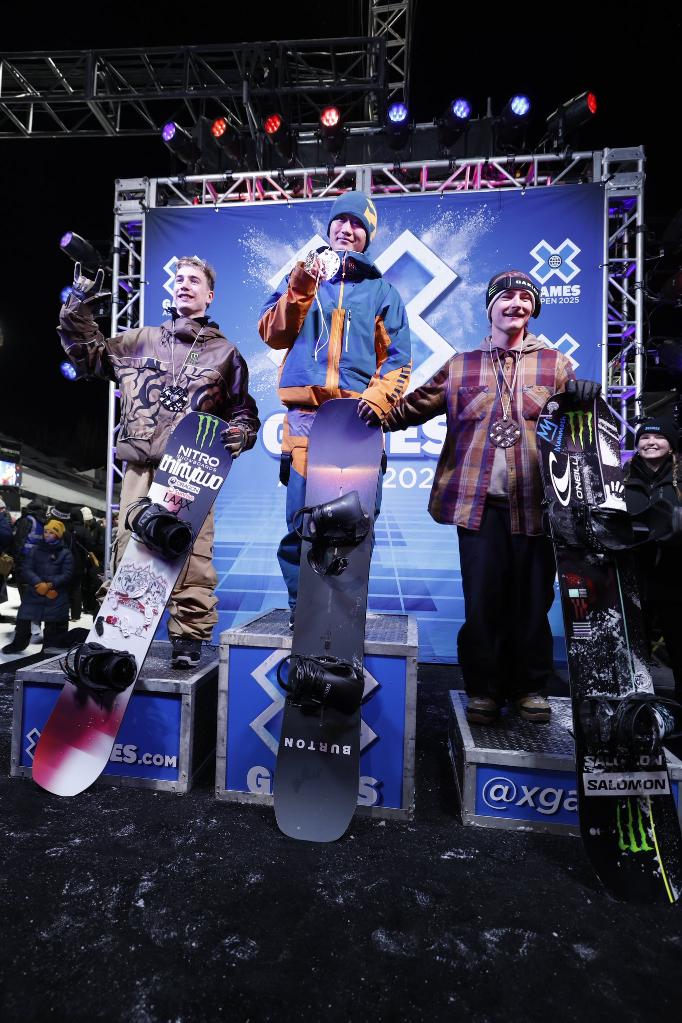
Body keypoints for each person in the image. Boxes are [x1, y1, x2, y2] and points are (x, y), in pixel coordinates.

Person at [383, 269, 602, 725]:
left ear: (533, 309)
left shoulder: (556, 365)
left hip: (538, 506)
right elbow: (411, 407)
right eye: (507, 297)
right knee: (483, 603)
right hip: (478, 507)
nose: (516, 304)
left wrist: (586, 400)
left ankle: (529, 688)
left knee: (533, 605)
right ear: (490, 308)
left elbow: (580, 434)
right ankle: (483, 690)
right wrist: (362, 414)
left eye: (525, 298)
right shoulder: (460, 365)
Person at [58, 254, 261, 668]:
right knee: (130, 549)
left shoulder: (226, 355)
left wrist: (242, 433)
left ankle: (189, 637)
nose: (184, 284)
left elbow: (243, 411)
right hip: (141, 467)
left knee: (192, 556)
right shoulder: (137, 340)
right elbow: (88, 355)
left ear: (210, 295)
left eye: (194, 280)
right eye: (179, 278)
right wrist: (77, 305)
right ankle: (117, 631)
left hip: (192, 471)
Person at [258, 190, 412, 622]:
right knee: (302, 523)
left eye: (357, 224)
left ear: (367, 236)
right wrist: (303, 284)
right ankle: (302, 611)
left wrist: (377, 400)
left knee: (355, 524)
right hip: (306, 422)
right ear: (328, 228)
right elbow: (272, 332)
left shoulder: (383, 292)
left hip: (358, 424)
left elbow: (398, 357)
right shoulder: (300, 278)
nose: (347, 228)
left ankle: (344, 616)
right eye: (340, 220)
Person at [624, 417, 682, 701]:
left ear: (671, 446)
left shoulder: (680, 480)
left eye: (659, 438)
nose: (651, 442)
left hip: (675, 577)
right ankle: (637, 708)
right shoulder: (620, 477)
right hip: (633, 577)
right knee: (634, 650)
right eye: (645, 438)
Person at [2, 518, 74, 654]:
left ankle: (49, 649)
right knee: (23, 619)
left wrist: (50, 584)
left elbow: (67, 574)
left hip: (55, 595)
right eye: (46, 531)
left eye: (51, 532)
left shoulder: (65, 553)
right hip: (35, 591)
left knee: (54, 625)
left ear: (58, 535)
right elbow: (26, 568)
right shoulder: (35, 549)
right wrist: (38, 583)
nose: (47, 534)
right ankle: (19, 643)